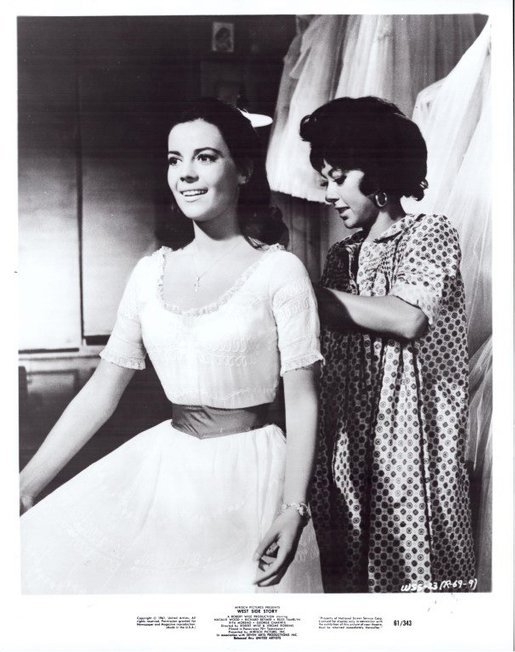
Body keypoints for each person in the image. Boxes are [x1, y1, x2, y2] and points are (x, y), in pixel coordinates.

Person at [20, 97, 323, 594]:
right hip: (168, 472)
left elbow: (303, 398)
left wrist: (294, 508)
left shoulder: (280, 270)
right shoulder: (148, 274)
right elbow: (101, 392)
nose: (186, 173)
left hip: (254, 475)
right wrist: (25, 486)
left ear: (244, 170)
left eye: (205, 157)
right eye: (174, 159)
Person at [299, 96, 476, 593]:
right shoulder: (341, 256)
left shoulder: (429, 232)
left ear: (378, 172)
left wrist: (298, 290)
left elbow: (407, 318)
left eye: (338, 178)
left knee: (406, 574)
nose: (329, 194)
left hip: (410, 443)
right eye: (325, 181)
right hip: (348, 440)